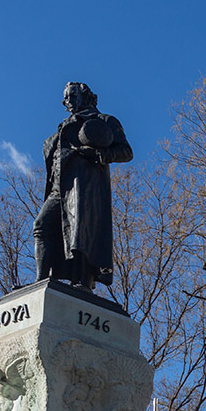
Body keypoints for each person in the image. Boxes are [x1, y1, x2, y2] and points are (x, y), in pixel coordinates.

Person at [34, 82, 133, 291]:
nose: (67, 102)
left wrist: (98, 154)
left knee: (81, 234)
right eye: (65, 98)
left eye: (72, 96)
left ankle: (83, 282)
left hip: (83, 187)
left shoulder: (103, 121)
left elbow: (126, 152)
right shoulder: (64, 126)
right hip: (58, 187)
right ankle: (40, 282)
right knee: (41, 226)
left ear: (85, 96)